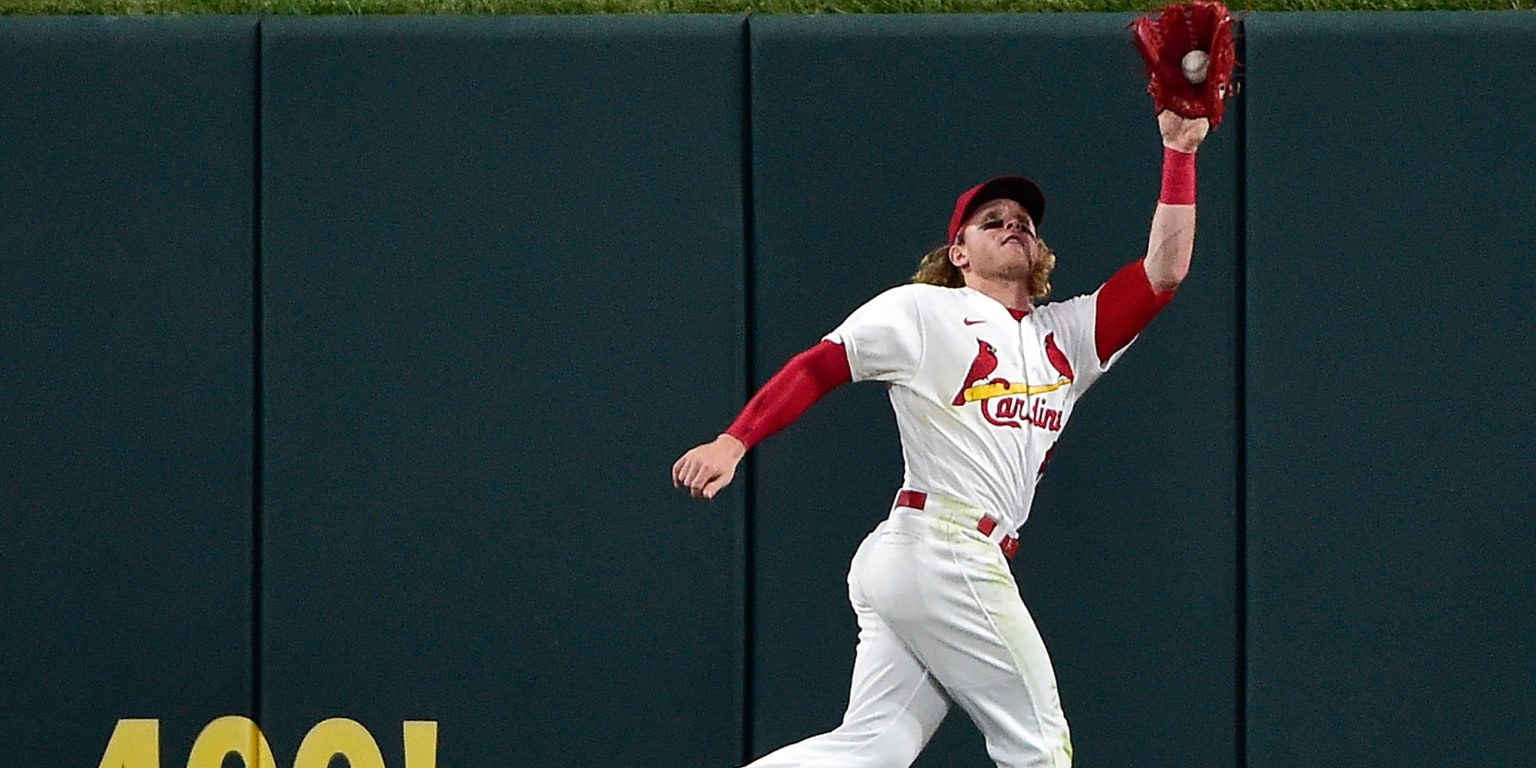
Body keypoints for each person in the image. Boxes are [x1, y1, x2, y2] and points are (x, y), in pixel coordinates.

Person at [671, 109, 1211, 768]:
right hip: (941, 545)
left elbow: (1165, 272)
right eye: (992, 220)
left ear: (1040, 253)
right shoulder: (925, 311)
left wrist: (1178, 149)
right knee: (1040, 745)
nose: (1013, 223)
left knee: (874, 748)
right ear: (958, 253)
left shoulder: (1067, 335)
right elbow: (821, 364)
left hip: (933, 560)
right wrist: (735, 440)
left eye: (1025, 222)